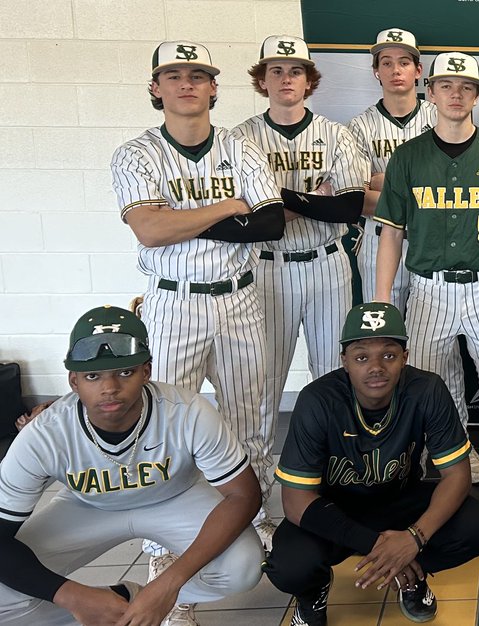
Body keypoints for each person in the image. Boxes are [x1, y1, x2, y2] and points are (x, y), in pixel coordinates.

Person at [111, 40, 284, 610]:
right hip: (173, 304)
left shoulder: (239, 146)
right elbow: (151, 231)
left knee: (251, 417)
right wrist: (226, 207)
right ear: (156, 88)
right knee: (167, 429)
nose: (187, 83)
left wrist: (182, 218)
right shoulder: (136, 153)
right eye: (173, 74)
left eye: (199, 74)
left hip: (238, 300)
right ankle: (167, 557)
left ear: (214, 87)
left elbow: (272, 224)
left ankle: (253, 520)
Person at [0, 306, 263, 626]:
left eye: (124, 371)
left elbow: (244, 495)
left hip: (175, 497)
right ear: (73, 381)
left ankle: (153, 600)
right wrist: (73, 595)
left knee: (244, 567)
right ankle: (121, 603)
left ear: (146, 371)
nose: (109, 387)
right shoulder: (43, 435)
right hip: (87, 507)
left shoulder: (187, 411)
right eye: (92, 376)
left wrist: (168, 584)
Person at [265, 303, 479, 625]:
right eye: (361, 357)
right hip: (335, 509)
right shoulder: (318, 399)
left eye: (388, 355)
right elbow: (295, 502)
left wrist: (413, 538)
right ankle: (314, 593)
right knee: (289, 565)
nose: (376, 367)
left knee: (476, 527)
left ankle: (412, 576)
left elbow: (457, 476)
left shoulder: (427, 389)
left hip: (399, 503)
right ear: (344, 361)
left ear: (405, 357)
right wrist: (380, 547)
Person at [372, 52, 479, 511]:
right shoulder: (409, 155)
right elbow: (391, 234)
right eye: (446, 85)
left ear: (478, 95)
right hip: (428, 291)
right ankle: (462, 473)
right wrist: (383, 305)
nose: (456, 93)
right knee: (439, 395)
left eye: (466, 86)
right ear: (431, 91)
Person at [233, 35, 369, 495]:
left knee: (335, 372)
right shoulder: (240, 138)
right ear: (262, 79)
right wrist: (316, 199)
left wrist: (274, 199)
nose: (286, 78)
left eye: (295, 70)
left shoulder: (336, 133)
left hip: (328, 264)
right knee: (263, 380)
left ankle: (340, 473)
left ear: (310, 80)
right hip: (265, 267)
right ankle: (257, 493)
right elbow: (248, 218)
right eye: (276, 70)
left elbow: (349, 209)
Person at [347, 28, 438, 312]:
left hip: (433, 239)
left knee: (434, 340)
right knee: (385, 332)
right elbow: (358, 199)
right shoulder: (359, 127)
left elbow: (451, 183)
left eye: (404, 62)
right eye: (386, 62)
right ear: (376, 71)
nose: (395, 70)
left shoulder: (439, 118)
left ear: (418, 69)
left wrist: (383, 181)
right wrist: (423, 188)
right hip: (378, 240)